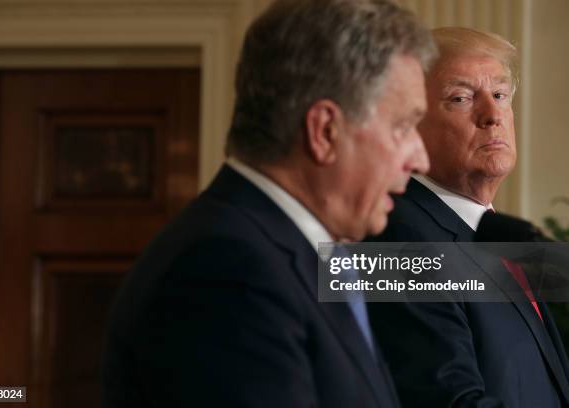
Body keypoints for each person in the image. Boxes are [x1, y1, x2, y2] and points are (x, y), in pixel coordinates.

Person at [101, 0, 436, 406]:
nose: (421, 160)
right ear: (325, 131)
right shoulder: (225, 272)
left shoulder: (285, 253)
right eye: (403, 126)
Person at [369, 27, 569, 407]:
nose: (493, 115)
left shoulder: (499, 234)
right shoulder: (393, 241)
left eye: (499, 94)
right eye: (461, 98)